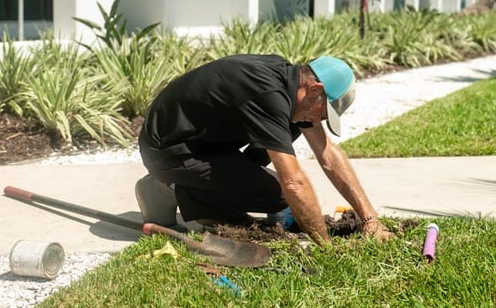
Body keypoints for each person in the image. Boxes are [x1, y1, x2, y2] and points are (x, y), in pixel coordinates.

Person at [135, 54, 393, 244]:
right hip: (165, 149)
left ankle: (191, 191)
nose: (318, 122)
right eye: (323, 115)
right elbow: (294, 183)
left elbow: (329, 156)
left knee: (290, 131)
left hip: (200, 141)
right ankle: (167, 187)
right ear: (315, 90)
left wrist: (370, 220)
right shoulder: (268, 95)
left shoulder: (290, 84)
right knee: (278, 194)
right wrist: (325, 246)